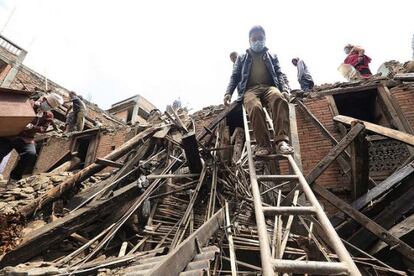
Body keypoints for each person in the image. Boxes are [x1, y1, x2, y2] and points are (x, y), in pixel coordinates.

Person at [224, 25, 293, 156]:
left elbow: (279, 73)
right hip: (250, 90)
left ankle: (281, 141)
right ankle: (263, 145)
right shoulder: (242, 57)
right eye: (254, 39)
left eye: (260, 38)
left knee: (279, 99)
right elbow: (235, 76)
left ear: (265, 39)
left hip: (269, 87)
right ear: (249, 40)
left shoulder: (272, 56)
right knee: (254, 107)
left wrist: (284, 89)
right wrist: (228, 93)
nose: (257, 41)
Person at [0, 93, 63, 184]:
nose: (48, 107)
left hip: (26, 138)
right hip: (11, 134)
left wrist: (32, 127)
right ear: (44, 99)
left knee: (30, 154)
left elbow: (43, 129)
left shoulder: (48, 115)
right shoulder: (28, 104)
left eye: (50, 107)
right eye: (48, 104)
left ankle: (14, 178)